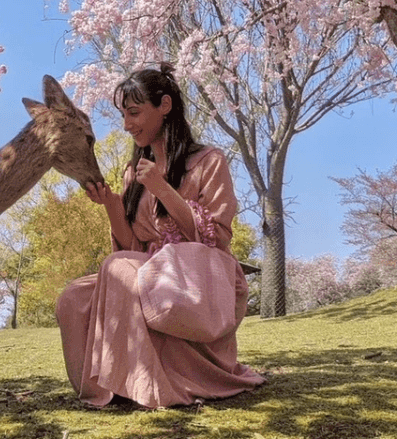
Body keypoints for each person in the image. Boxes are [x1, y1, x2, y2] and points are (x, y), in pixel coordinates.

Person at [55, 64, 265, 408]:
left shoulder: (209, 162)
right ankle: (112, 383)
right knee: (74, 297)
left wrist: (162, 189)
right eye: (123, 115)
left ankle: (150, 383)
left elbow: (219, 236)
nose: (127, 125)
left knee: (120, 268)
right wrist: (110, 203)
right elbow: (132, 246)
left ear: (164, 106)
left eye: (134, 113)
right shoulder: (132, 172)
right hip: (148, 269)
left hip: (199, 274)